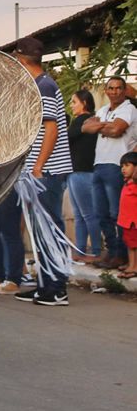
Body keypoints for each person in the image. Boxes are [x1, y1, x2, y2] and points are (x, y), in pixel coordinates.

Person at [12, 37, 73, 306]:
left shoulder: (44, 86)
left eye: (15, 59)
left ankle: (57, 288)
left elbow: (51, 127)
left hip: (46, 171)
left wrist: (38, 166)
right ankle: (45, 284)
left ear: (23, 60)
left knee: (50, 228)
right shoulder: (38, 85)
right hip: (40, 171)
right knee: (39, 231)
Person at [83, 76, 136, 269]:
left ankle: (121, 255)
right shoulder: (103, 109)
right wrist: (106, 127)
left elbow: (117, 130)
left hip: (117, 165)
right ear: (106, 91)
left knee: (117, 214)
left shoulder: (129, 109)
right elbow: (85, 127)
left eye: (118, 88)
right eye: (111, 88)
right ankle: (111, 252)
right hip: (99, 164)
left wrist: (99, 126)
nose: (114, 92)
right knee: (101, 213)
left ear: (124, 90)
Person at [67, 90, 100, 262]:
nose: (72, 105)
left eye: (74, 102)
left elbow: (65, 137)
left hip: (83, 172)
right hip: (77, 171)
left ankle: (95, 251)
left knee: (87, 214)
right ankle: (80, 250)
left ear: (84, 103)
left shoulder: (83, 120)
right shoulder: (81, 122)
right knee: (80, 214)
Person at [117, 151, 137, 279]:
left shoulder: (135, 185)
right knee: (130, 245)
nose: (123, 169)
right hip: (126, 221)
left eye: (127, 165)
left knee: (134, 245)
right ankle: (131, 264)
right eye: (122, 166)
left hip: (133, 221)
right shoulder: (127, 183)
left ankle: (133, 267)